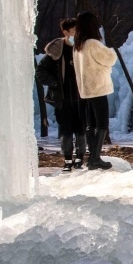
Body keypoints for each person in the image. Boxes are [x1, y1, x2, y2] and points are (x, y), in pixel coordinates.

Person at [36, 18, 87, 172]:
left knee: (81, 128)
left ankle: (80, 157)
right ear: (65, 32)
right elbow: (40, 71)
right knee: (65, 130)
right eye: (73, 32)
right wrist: (55, 83)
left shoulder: (82, 48)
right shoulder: (56, 51)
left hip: (81, 97)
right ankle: (67, 159)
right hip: (63, 98)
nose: (76, 35)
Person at [72, 11, 117, 171]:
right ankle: (95, 157)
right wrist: (111, 50)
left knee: (90, 123)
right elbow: (109, 58)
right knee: (102, 122)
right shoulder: (92, 43)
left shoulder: (78, 45)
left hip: (85, 89)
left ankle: (92, 156)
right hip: (97, 87)